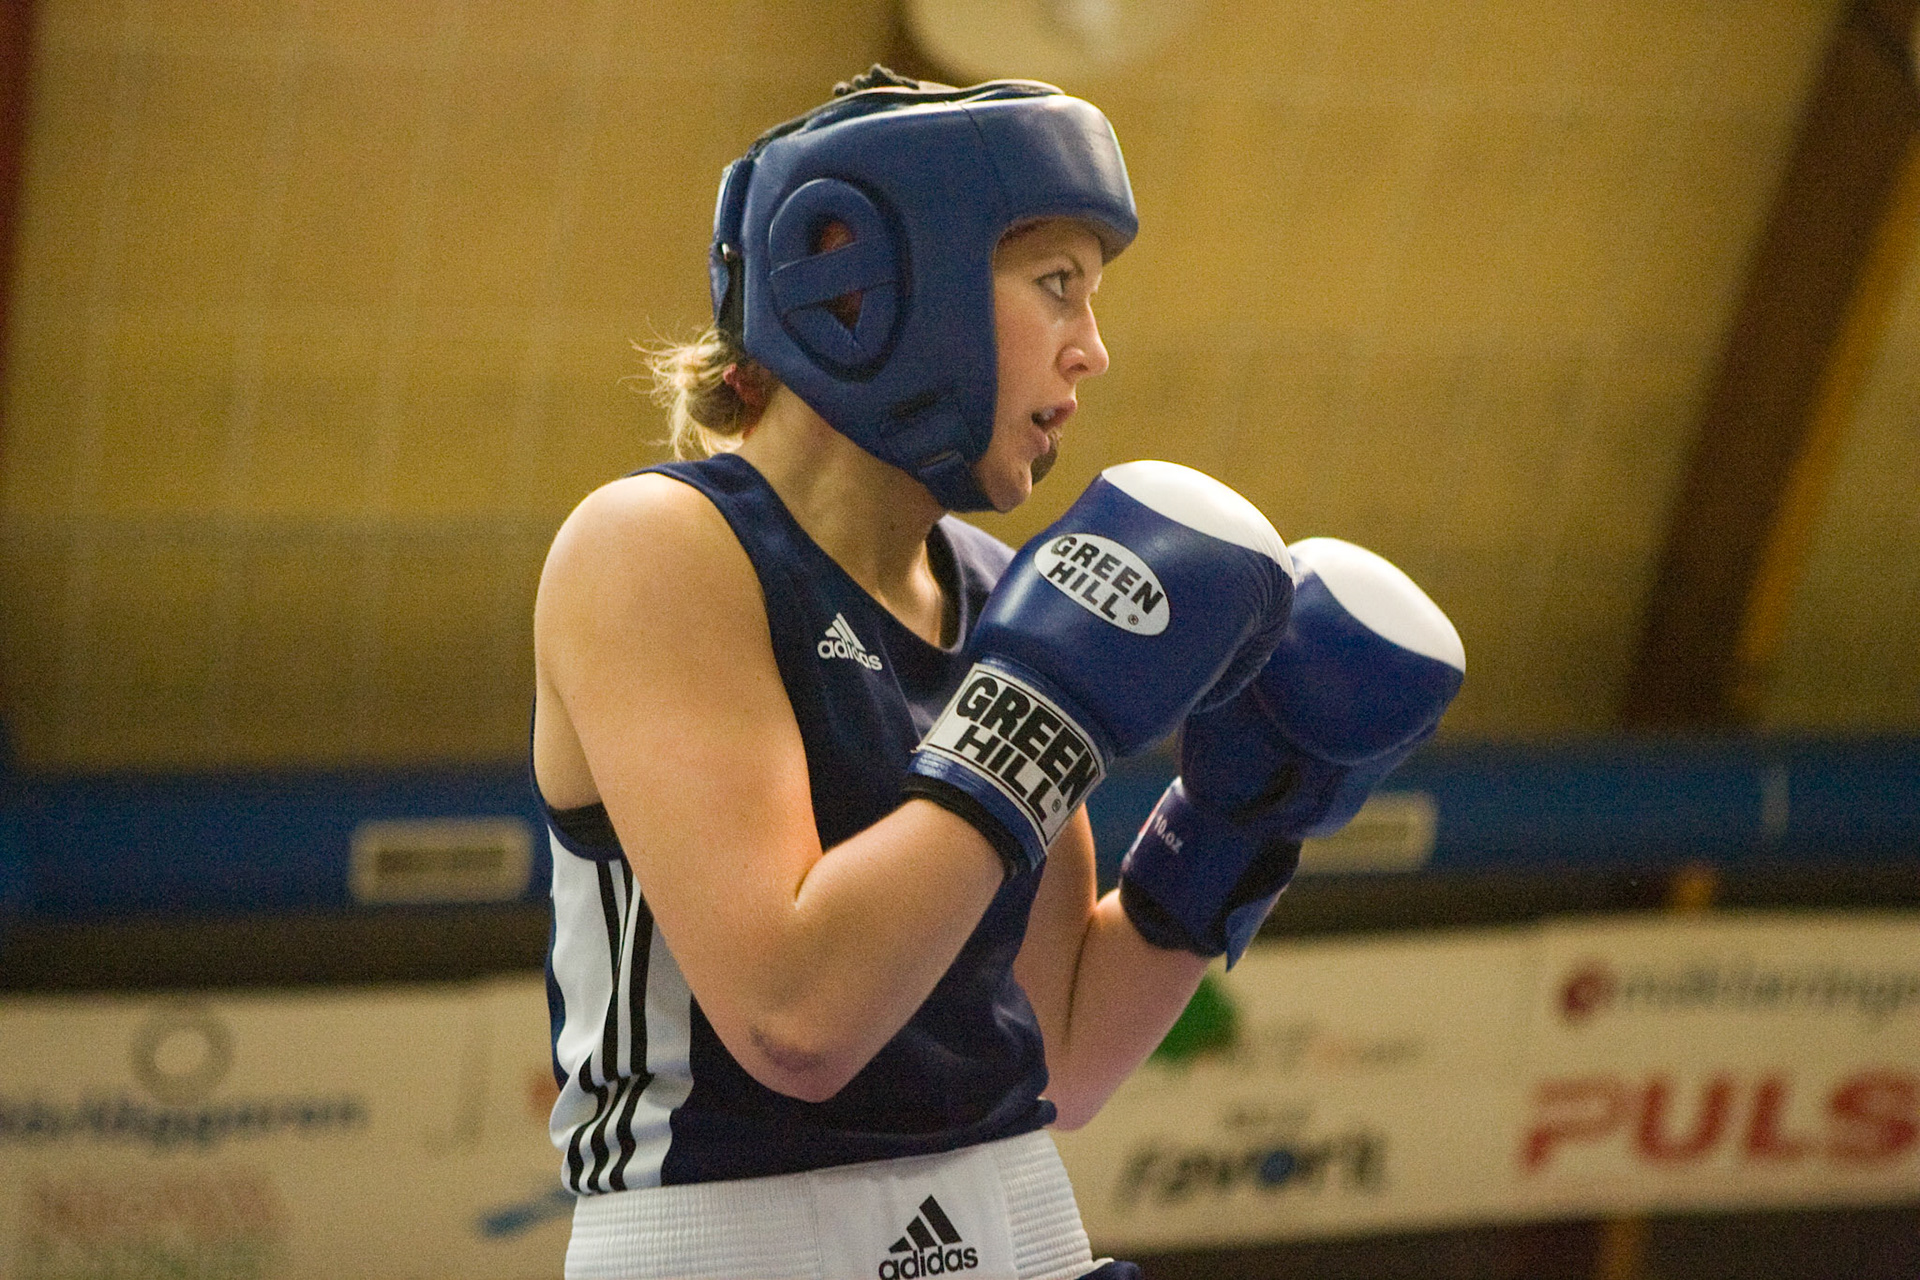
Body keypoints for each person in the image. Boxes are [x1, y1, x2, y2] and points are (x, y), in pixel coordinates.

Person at [530, 67, 1463, 1280]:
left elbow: (1063, 1052)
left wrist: (1235, 821)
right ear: (870, 283)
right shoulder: (656, 548)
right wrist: (1035, 717)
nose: (1093, 351)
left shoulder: (998, 591)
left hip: (1016, 1221)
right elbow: (795, 1018)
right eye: (1057, 284)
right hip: (738, 1234)